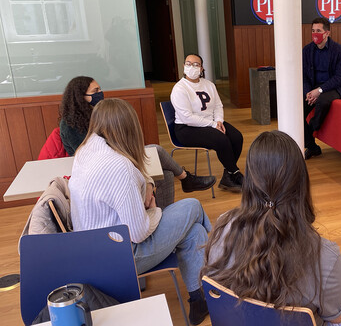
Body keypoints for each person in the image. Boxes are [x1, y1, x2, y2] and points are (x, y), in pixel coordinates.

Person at [203, 130, 341, 326]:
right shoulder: (325, 256)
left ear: (250, 181)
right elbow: (338, 317)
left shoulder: (223, 227)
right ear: (301, 183)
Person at [69, 99, 211, 325]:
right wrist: (154, 210)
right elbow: (138, 232)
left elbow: (139, 172)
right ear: (130, 128)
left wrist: (150, 187)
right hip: (121, 257)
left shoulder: (87, 150)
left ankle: (199, 300)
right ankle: (218, 258)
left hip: (93, 252)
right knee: (193, 206)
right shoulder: (118, 166)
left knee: (192, 231)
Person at [59, 76, 215, 203]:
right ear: (81, 97)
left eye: (100, 89)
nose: (101, 93)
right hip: (101, 169)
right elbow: (90, 155)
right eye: (96, 91)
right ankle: (186, 178)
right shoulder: (69, 125)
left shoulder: (98, 113)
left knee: (166, 173)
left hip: (117, 156)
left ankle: (164, 212)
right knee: (157, 150)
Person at [171, 54, 244, 192]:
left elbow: (218, 105)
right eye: (188, 63)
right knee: (221, 140)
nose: (191, 67)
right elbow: (187, 117)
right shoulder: (180, 88)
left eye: (196, 64)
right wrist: (212, 125)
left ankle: (228, 176)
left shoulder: (209, 85)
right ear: (183, 66)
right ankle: (234, 173)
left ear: (202, 68)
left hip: (211, 122)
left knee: (236, 137)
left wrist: (219, 121)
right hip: (186, 129)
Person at [303, 17, 341, 159]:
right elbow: (304, 75)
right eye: (313, 31)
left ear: (327, 33)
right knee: (299, 107)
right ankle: (311, 146)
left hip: (333, 88)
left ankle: (313, 127)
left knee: (322, 101)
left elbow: (340, 77)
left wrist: (319, 91)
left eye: (319, 31)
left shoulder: (339, 50)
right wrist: (308, 93)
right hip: (313, 88)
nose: (315, 34)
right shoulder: (307, 50)